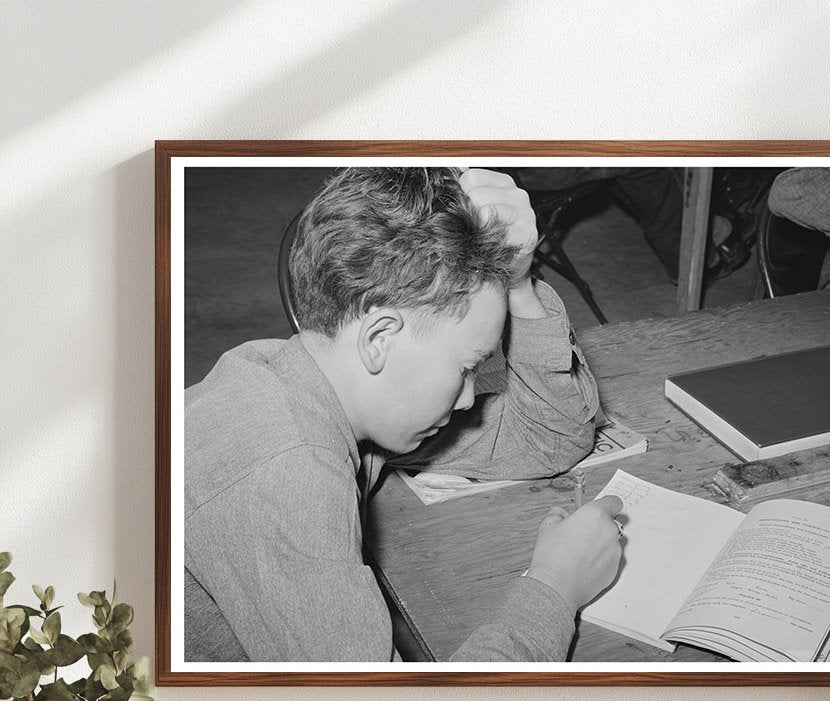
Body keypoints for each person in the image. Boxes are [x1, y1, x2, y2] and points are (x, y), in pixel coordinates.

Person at [183, 167, 624, 663]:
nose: (467, 400)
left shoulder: (318, 379)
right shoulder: (286, 471)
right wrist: (557, 585)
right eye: (466, 368)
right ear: (379, 338)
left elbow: (549, 438)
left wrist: (519, 284)